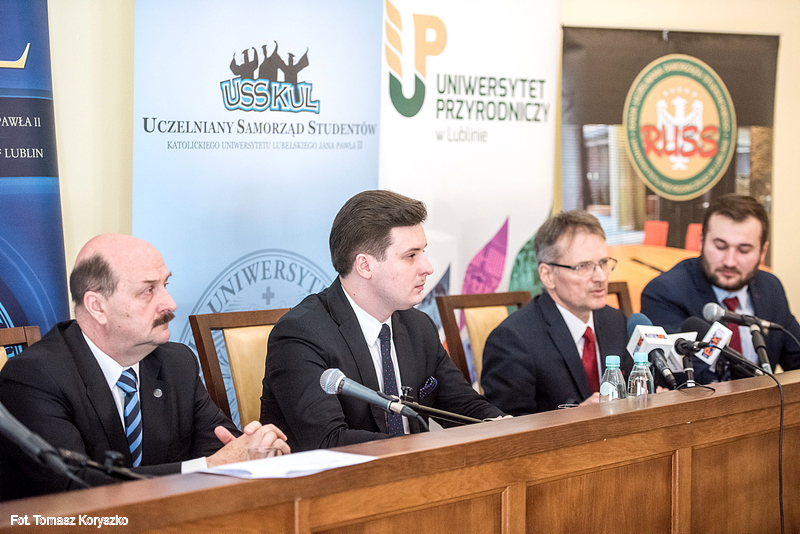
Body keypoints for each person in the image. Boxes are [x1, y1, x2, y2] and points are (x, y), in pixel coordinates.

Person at [0, 234, 290, 500]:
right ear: (97, 306)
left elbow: (223, 448)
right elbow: (74, 487)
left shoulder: (177, 363)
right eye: (148, 290)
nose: (170, 304)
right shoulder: (33, 377)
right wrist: (210, 466)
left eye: (165, 285)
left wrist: (259, 451)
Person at [260, 190, 505, 451]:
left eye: (423, 252)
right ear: (365, 266)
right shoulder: (301, 335)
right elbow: (329, 442)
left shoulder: (418, 326)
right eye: (411, 256)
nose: (428, 267)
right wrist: (420, 447)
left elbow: (466, 409)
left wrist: (504, 426)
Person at [481, 210, 632, 415]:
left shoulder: (615, 321)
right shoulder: (513, 340)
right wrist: (574, 418)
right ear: (547, 275)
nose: (600, 277)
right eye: (583, 266)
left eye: (603, 263)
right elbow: (509, 426)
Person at [641, 194, 800, 383]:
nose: (730, 261)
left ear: (762, 251)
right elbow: (682, 379)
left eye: (744, 250)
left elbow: (796, 357)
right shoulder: (665, 292)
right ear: (702, 241)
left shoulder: (770, 287)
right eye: (720, 246)